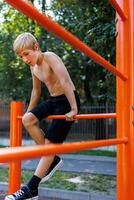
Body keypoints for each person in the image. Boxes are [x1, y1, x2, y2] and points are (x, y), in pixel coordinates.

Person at [5, 32, 80, 200]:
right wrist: (29, 112)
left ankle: (31, 189)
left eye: (26, 54)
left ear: (36, 48)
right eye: (21, 56)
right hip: (54, 100)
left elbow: (66, 81)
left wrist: (74, 109)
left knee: (49, 144)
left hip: (68, 100)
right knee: (27, 120)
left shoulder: (50, 57)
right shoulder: (34, 68)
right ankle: (51, 159)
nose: (24, 59)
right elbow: (36, 91)